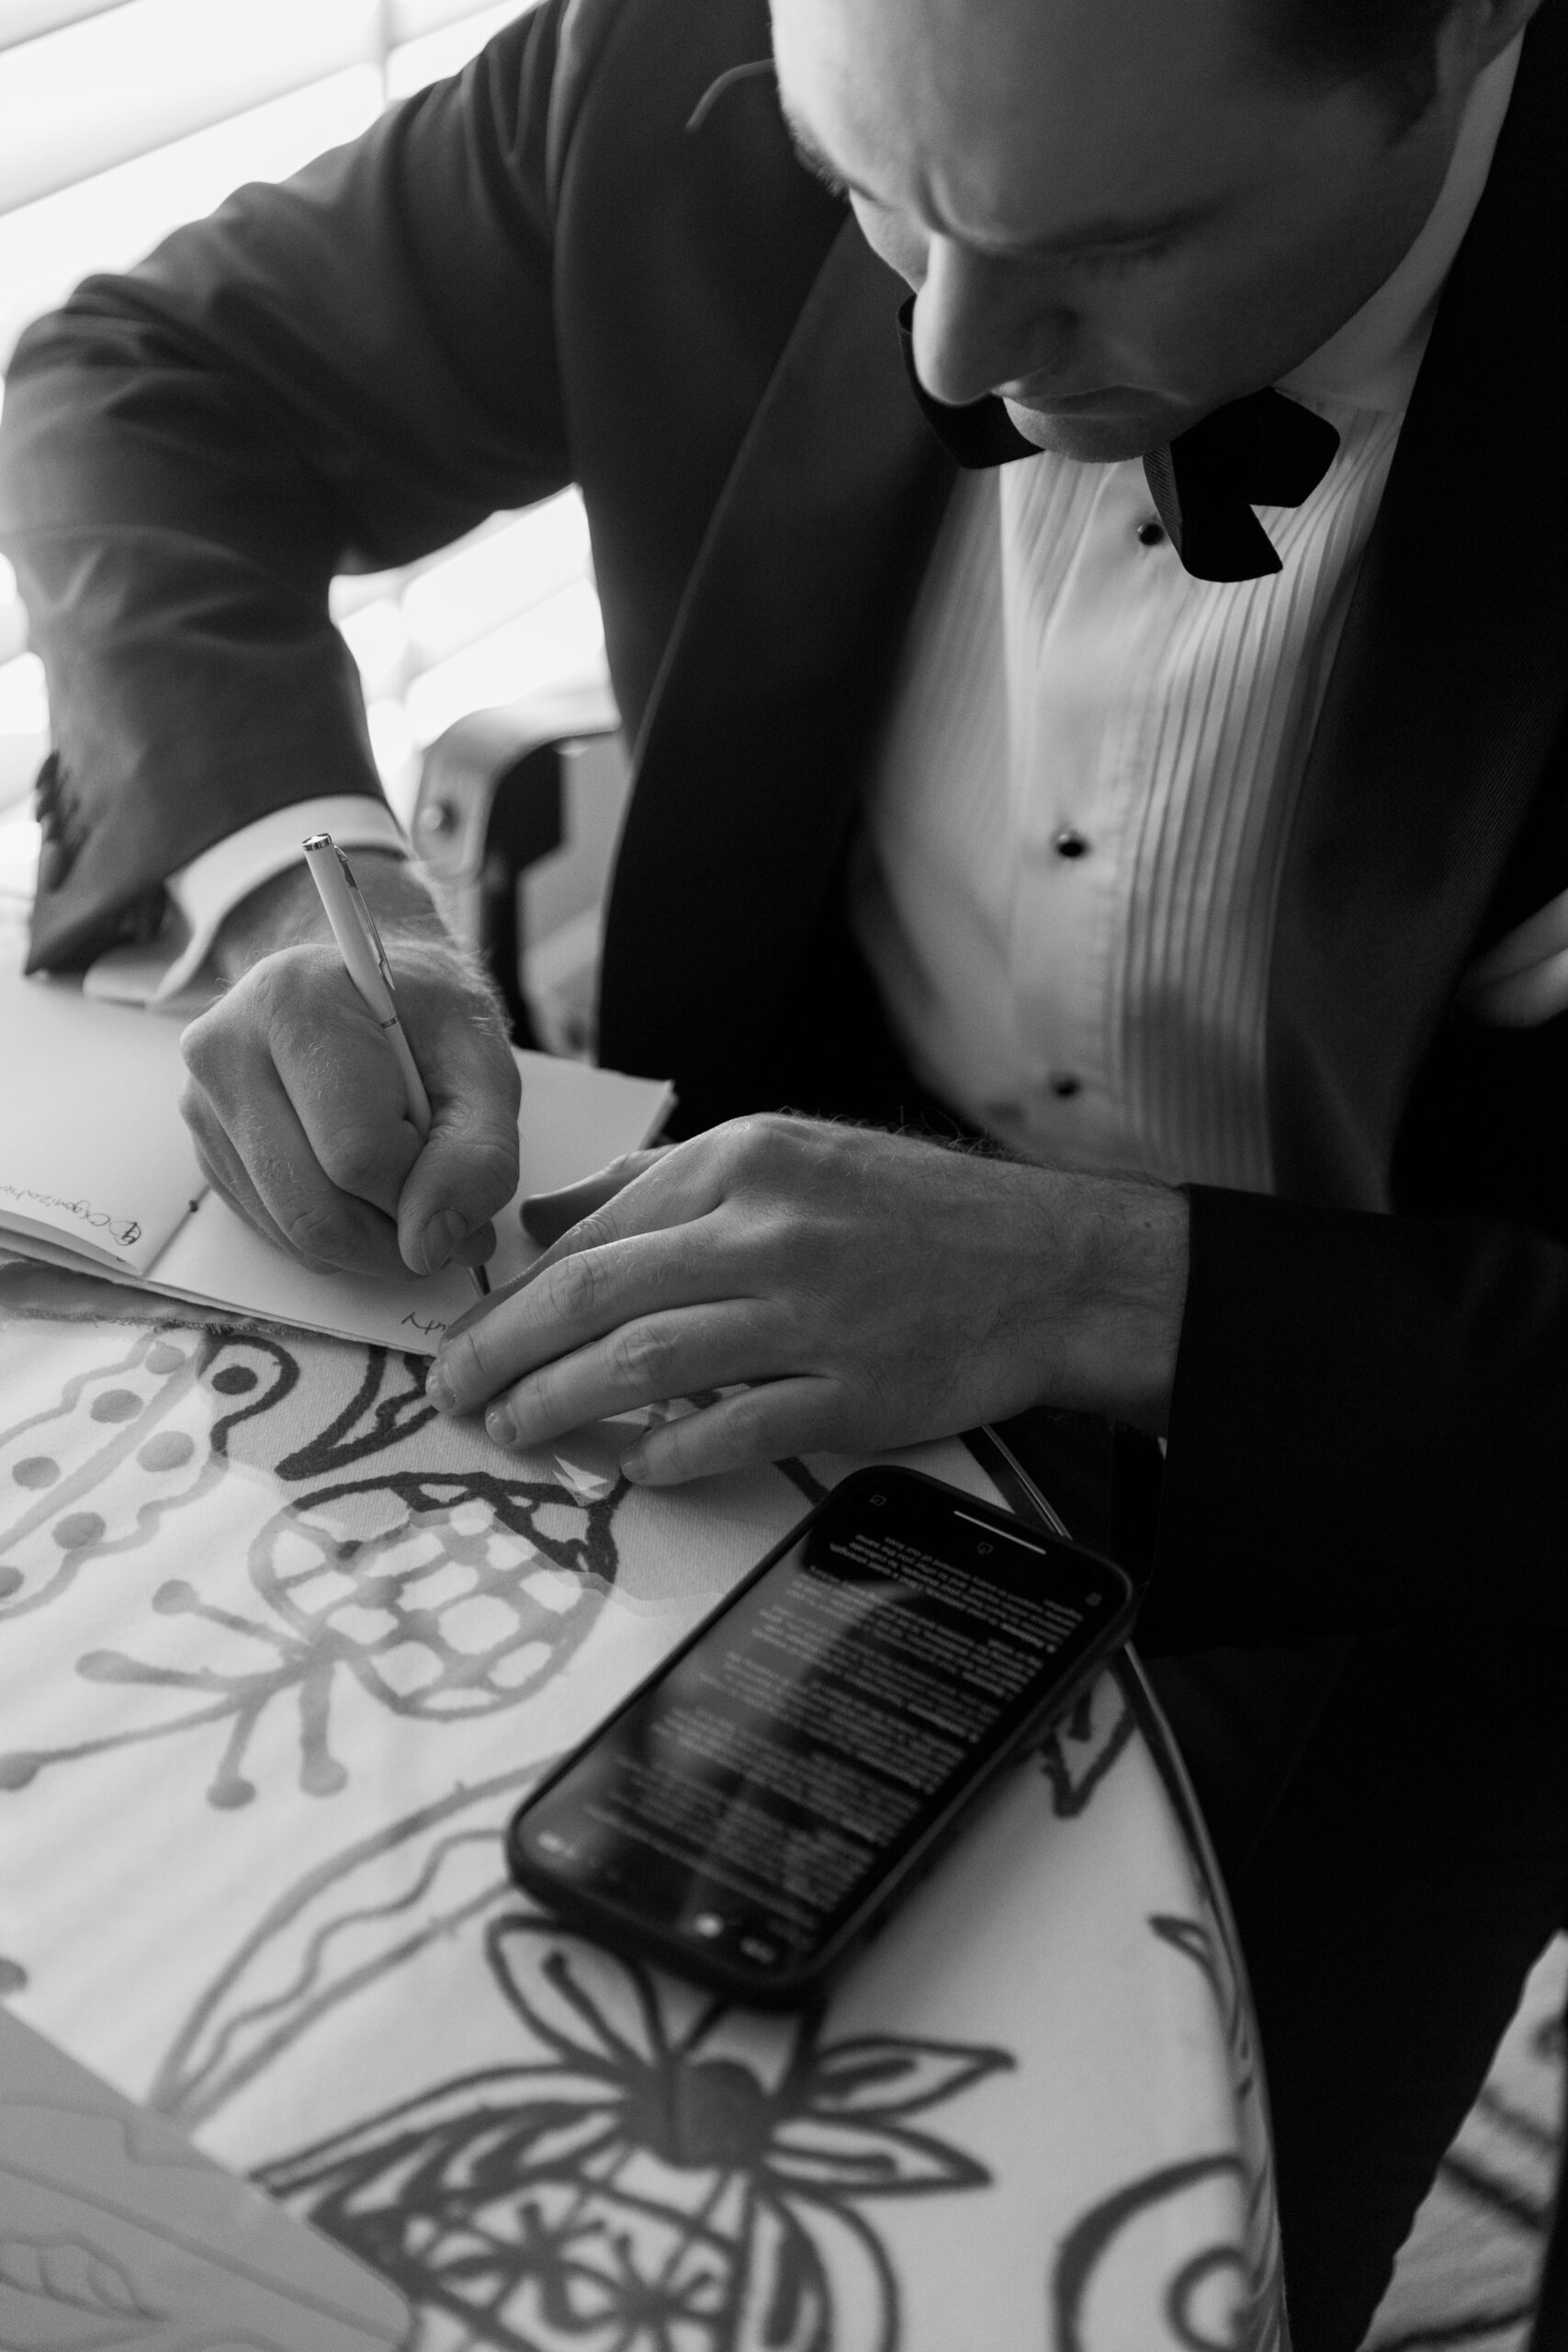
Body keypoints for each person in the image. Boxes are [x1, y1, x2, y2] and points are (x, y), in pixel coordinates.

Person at [3, 0, 1566, 2335]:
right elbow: (141, 380)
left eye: (1107, 244)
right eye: (867, 197)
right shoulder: (675, 68)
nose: (947, 351)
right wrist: (289, 874)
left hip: (1424, 1496)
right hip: (711, 1354)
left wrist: (1100, 1290)